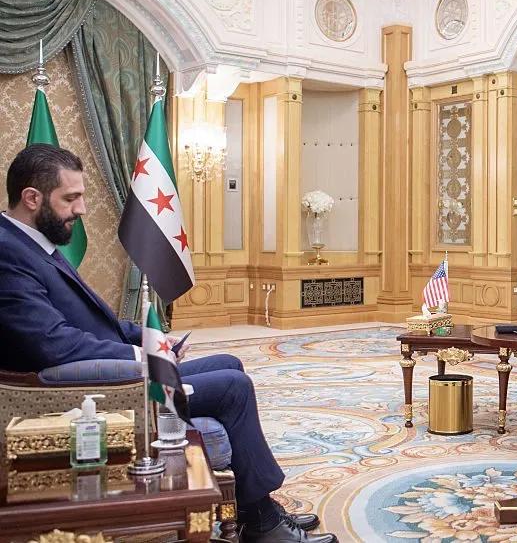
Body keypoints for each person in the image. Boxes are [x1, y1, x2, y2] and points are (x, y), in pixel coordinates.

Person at [0, 145, 335, 543]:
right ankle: (262, 525)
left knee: (229, 362)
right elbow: (52, 344)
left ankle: (252, 509)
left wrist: (153, 339)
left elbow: (94, 322)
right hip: (91, 391)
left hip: (114, 374)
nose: (82, 208)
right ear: (32, 198)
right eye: (70, 198)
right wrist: (141, 355)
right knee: (233, 387)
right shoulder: (8, 253)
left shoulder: (31, 243)